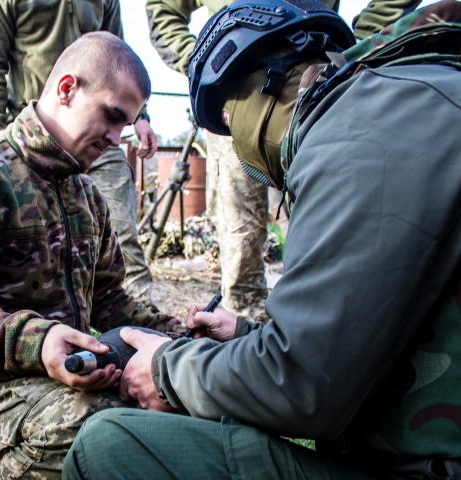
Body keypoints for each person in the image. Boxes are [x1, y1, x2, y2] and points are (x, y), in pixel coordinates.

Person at [62, 1, 461, 480]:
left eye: (228, 122)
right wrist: (250, 335)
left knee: (106, 453)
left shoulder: (361, 131)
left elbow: (305, 386)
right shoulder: (412, 99)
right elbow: (394, 330)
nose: (238, 149)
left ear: (266, 84)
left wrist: (167, 368)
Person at [0, 33, 183, 480]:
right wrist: (41, 343)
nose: (117, 138)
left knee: (173, 393)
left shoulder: (87, 195)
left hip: (66, 378)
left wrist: (184, 339)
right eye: (112, 116)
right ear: (65, 88)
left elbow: (113, 304)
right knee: (93, 424)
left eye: (127, 123)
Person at [144, 0, 423, 321]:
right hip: (239, 104)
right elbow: (163, 10)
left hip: (317, 89)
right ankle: (246, 337)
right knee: (240, 237)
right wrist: (209, 63)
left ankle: (312, 324)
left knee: (326, 225)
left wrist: (358, 42)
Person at [0, 0, 159, 307]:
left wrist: (138, 118)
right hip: (34, 139)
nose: (118, 138)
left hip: (97, 130)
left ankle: (143, 335)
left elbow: (120, 59)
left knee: (123, 236)